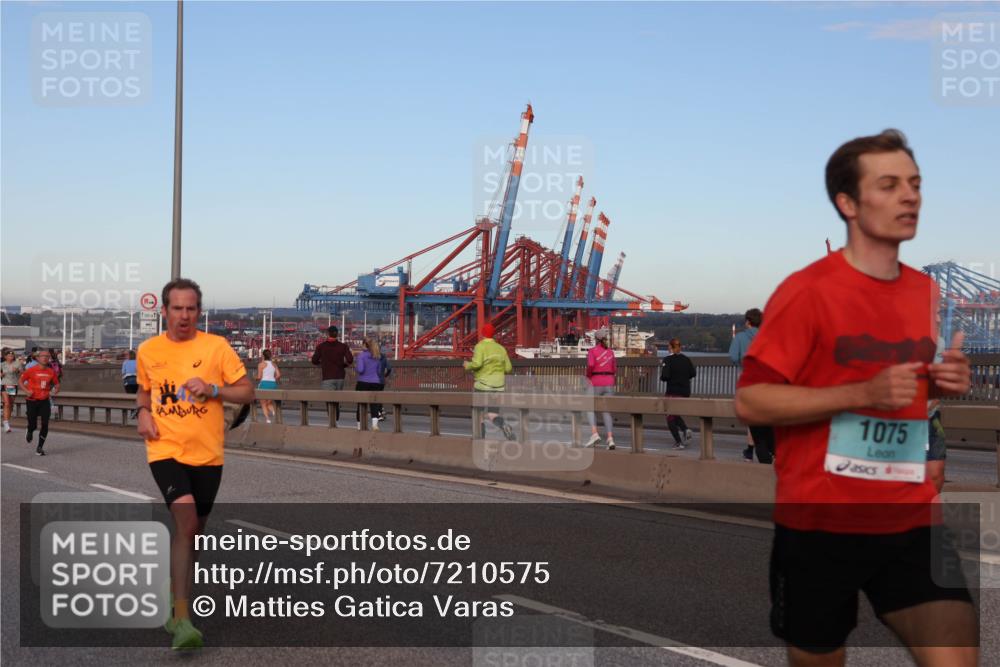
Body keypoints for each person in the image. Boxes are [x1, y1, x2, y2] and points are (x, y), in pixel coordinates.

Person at [734, 130, 976, 666]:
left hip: (911, 516)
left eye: (914, 184)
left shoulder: (924, 291)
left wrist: (939, 380)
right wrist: (860, 392)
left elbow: (902, 383)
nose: (909, 197)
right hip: (821, 522)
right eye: (889, 185)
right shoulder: (806, 291)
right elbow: (752, 402)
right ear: (847, 203)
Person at [135, 278, 254, 650]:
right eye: (177, 308)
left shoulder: (216, 347)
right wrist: (142, 412)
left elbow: (247, 390)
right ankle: (183, 620)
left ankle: (175, 595)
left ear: (198, 311)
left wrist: (214, 389)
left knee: (195, 531)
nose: (184, 315)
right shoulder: (148, 350)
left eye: (190, 308)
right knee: (186, 522)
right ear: (165, 311)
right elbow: (143, 388)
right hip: (164, 448)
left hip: (208, 453)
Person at [730, 308, 774, 464]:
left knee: (753, 422)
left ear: (748, 322)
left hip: (748, 383)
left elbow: (733, 356)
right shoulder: (768, 337)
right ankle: (773, 451)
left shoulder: (741, 337)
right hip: (768, 383)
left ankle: (760, 456)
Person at [464, 323, 515, 440]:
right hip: (498, 387)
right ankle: (504, 426)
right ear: (493, 335)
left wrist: (467, 365)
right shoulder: (501, 349)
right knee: (493, 414)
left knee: (479, 414)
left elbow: (477, 364)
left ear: (482, 334)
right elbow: (508, 368)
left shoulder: (480, 346)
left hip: (482, 386)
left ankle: (480, 438)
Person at [19, 348, 59, 455]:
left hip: (45, 400)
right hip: (32, 400)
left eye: (47, 356)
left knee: (45, 423)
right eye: (43, 356)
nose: (45, 358)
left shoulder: (51, 371)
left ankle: (39, 447)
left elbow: (56, 383)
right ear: (38, 358)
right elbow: (21, 381)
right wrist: (26, 391)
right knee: (33, 424)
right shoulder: (31, 370)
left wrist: (56, 389)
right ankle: (30, 429)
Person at [311, 325, 353, 422]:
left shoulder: (321, 346)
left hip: (327, 377)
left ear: (327, 334)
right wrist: (343, 365)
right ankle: (336, 418)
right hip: (340, 377)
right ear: (337, 334)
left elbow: (314, 360)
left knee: (329, 399)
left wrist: (322, 364)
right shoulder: (343, 346)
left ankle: (332, 421)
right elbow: (350, 360)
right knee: (336, 399)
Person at [584, 329, 616, 450]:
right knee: (607, 411)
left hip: (596, 381)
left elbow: (591, 365)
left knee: (589, 406)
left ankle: (594, 434)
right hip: (609, 382)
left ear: (596, 339)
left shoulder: (592, 351)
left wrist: (588, 376)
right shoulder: (610, 352)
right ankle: (610, 438)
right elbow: (614, 369)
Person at [660, 338, 696, 449]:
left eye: (668, 347)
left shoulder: (668, 359)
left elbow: (665, 377)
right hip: (685, 391)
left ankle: (678, 442)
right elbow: (693, 373)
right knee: (675, 414)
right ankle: (685, 429)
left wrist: (663, 372)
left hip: (673, 391)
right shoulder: (686, 359)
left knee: (670, 416)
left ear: (670, 347)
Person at [354, 337, 386, 430]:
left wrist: (356, 367)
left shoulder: (361, 356)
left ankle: (360, 426)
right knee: (374, 405)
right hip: (375, 382)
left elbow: (360, 369)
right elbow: (379, 371)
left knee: (360, 405)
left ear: (364, 345)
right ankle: (374, 425)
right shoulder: (377, 356)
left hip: (363, 382)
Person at [2, 348, 24, 433]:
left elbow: (22, 373)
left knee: (10, 404)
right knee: (6, 403)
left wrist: (18, 370)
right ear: (5, 356)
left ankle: (6, 419)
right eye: (9, 355)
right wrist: (1, 374)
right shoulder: (2, 364)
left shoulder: (17, 363)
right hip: (4, 384)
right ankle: (6, 423)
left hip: (13, 385)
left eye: (12, 355)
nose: (11, 356)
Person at [256, 349, 280, 424]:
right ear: (270, 356)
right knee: (269, 403)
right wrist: (273, 379)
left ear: (263, 356)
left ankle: (268, 419)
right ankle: (274, 413)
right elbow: (279, 375)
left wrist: (255, 377)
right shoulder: (274, 364)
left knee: (263, 403)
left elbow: (259, 377)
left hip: (264, 384)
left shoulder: (261, 365)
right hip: (273, 384)